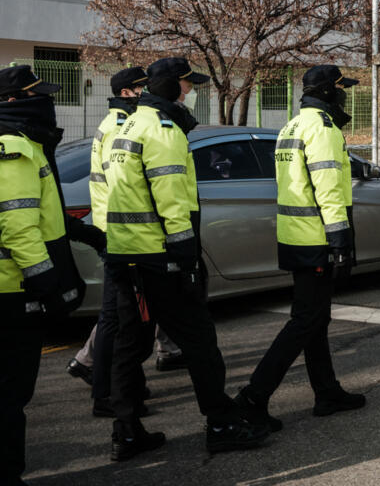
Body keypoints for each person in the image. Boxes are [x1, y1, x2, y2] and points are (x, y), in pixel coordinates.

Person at [104, 57, 268, 460]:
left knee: (131, 342)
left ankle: (125, 431)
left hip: (126, 252)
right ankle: (221, 422)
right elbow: (172, 199)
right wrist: (184, 256)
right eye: (188, 84)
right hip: (160, 255)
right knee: (199, 340)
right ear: (173, 86)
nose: (191, 90)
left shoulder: (127, 124)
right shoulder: (164, 130)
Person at [0, 66, 90, 485]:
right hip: (14, 292)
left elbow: (38, 216)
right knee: (4, 390)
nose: (47, 102)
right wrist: (45, 281)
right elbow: (19, 228)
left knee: (8, 389)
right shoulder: (13, 151)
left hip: (12, 290)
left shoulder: (22, 146)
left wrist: (84, 233)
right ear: (13, 102)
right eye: (37, 95)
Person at [234, 65, 367, 431]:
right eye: (341, 88)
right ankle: (253, 397)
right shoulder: (323, 129)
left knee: (315, 319)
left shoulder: (293, 125)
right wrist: (339, 238)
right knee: (305, 320)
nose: (345, 94)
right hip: (316, 238)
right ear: (326, 91)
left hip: (296, 235)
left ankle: (327, 392)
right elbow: (327, 188)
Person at [66, 66, 184, 418]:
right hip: (119, 235)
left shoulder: (118, 122)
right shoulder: (121, 124)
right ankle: (106, 390)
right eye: (140, 88)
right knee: (116, 319)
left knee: (120, 317)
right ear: (130, 93)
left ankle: (119, 385)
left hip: (115, 232)